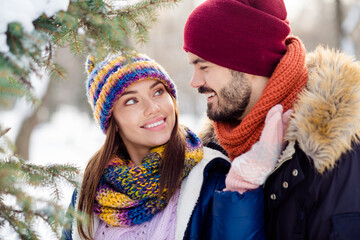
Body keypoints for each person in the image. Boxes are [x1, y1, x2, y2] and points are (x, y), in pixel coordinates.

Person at [183, 0, 360, 239]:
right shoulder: (213, 156)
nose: (194, 81)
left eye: (203, 66)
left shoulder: (338, 156)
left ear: (247, 63)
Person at [61, 52, 274, 240]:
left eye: (158, 92)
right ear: (113, 123)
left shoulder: (210, 176)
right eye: (131, 101)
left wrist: (240, 195)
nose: (153, 108)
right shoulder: (91, 188)